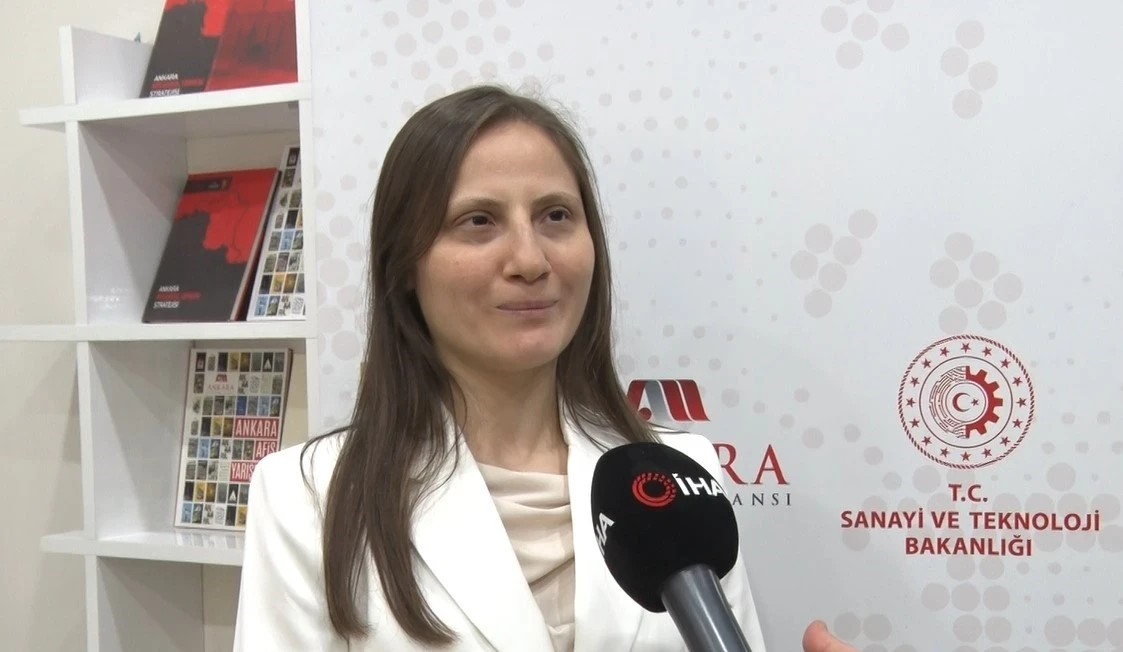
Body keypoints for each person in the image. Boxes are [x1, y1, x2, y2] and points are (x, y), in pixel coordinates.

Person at [232, 83, 856, 652]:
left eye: (555, 215)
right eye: (479, 221)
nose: (530, 260)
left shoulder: (680, 477)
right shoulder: (308, 498)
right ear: (405, 265)